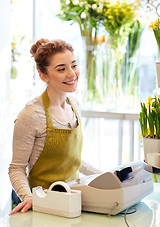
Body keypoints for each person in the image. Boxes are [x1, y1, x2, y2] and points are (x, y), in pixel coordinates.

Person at [9, 38, 102, 215]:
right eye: (61, 69)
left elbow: (71, 161)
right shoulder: (31, 115)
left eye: (73, 65)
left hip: (75, 200)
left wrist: (106, 175)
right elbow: (16, 168)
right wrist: (28, 198)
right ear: (43, 75)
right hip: (44, 207)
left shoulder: (74, 105)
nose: (72, 74)